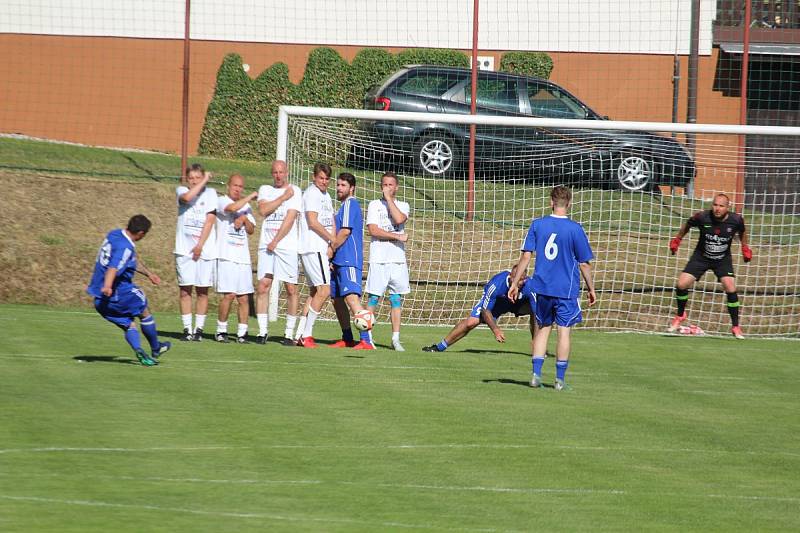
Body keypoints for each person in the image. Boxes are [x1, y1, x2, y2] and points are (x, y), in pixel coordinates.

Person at [509, 185, 596, 391]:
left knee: (543, 329)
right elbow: (584, 263)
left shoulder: (538, 225)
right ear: (569, 203)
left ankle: (535, 375)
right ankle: (559, 380)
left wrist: (514, 283)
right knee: (564, 331)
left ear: (551, 202)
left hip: (542, 288)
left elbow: (526, 256)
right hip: (566, 290)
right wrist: (591, 288)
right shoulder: (575, 229)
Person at [87, 215, 171, 366]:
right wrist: (107, 285)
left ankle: (139, 350)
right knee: (144, 310)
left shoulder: (115, 234)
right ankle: (156, 347)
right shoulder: (126, 247)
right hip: (118, 292)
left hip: (99, 298)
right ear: (141, 233)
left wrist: (149, 274)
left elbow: (128, 260)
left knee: (129, 325)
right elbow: (114, 267)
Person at [667, 193, 751, 339]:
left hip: (722, 260)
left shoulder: (736, 220)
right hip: (701, 257)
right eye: (715, 205)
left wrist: (745, 247)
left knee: (730, 287)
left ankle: (736, 326)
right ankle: (680, 315)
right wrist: (677, 239)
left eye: (721, 206)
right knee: (681, 284)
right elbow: (687, 224)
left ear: (727, 207)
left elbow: (743, 231)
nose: (717, 208)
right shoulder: (702, 217)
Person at [423, 264, 533, 353]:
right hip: (497, 305)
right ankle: (439, 347)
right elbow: (485, 311)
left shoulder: (529, 285)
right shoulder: (496, 285)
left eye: (522, 279)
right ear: (511, 277)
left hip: (518, 303)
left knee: (537, 311)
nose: (520, 282)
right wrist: (495, 330)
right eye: (517, 279)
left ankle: (537, 346)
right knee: (471, 322)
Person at [255, 160, 303, 345]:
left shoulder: (295, 190)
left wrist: (276, 241)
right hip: (266, 246)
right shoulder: (265, 189)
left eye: (281, 172)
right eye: (275, 172)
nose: (278, 175)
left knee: (291, 288)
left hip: (286, 246)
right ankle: (261, 331)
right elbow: (263, 210)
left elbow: (290, 218)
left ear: (287, 172)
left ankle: (288, 333)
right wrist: (282, 198)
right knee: (263, 285)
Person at [365, 172, 410, 351]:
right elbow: (373, 230)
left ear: (396, 187)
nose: (387, 188)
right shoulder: (374, 205)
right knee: (373, 297)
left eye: (390, 185)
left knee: (396, 299)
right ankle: (366, 337)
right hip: (378, 259)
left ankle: (395, 339)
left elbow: (399, 219)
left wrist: (389, 200)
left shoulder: (403, 205)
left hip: (397, 260)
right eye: (384, 185)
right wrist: (396, 236)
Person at [330, 172, 374, 350]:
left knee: (351, 298)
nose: (339, 188)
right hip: (339, 260)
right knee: (337, 299)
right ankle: (347, 337)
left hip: (349, 259)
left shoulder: (350, 204)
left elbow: (345, 231)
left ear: (352, 188)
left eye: (343, 185)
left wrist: (331, 249)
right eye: (338, 185)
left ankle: (366, 340)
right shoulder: (342, 207)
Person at [174, 163, 217, 341]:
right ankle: (187, 329)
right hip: (184, 250)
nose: (194, 181)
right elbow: (187, 197)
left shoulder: (211, 194)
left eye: (197, 178)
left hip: (204, 250)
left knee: (202, 291)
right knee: (185, 290)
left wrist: (200, 245)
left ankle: (198, 330)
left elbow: (210, 220)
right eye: (191, 178)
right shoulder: (181, 190)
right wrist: (204, 180)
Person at [296, 162, 336, 348]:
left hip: (322, 247)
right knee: (324, 290)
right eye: (321, 178)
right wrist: (331, 239)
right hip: (313, 247)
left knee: (314, 292)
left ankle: (299, 334)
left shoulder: (326, 195)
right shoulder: (311, 193)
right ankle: (307, 335)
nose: (324, 182)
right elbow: (312, 222)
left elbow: (330, 221)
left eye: (327, 179)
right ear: (314, 177)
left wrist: (332, 243)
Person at [214, 174, 257, 344]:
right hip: (226, 256)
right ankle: (221, 330)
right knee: (229, 295)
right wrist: (250, 197)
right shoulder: (221, 201)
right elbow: (231, 209)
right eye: (235, 186)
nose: (238, 189)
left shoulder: (246, 207)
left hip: (243, 258)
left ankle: (242, 333)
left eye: (241, 186)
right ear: (228, 186)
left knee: (243, 297)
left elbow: (252, 230)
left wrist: (245, 219)